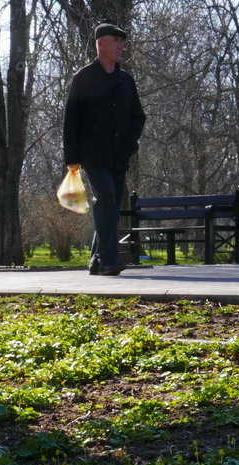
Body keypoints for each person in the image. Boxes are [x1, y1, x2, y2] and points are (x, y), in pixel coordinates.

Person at [63, 22, 146, 276]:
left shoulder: (125, 81)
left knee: (109, 204)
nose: (120, 45)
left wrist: (130, 143)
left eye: (122, 41)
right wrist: (72, 157)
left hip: (119, 156)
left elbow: (138, 117)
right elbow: (71, 119)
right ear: (100, 44)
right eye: (115, 40)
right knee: (107, 198)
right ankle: (109, 260)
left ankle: (97, 260)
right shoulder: (84, 78)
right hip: (93, 155)